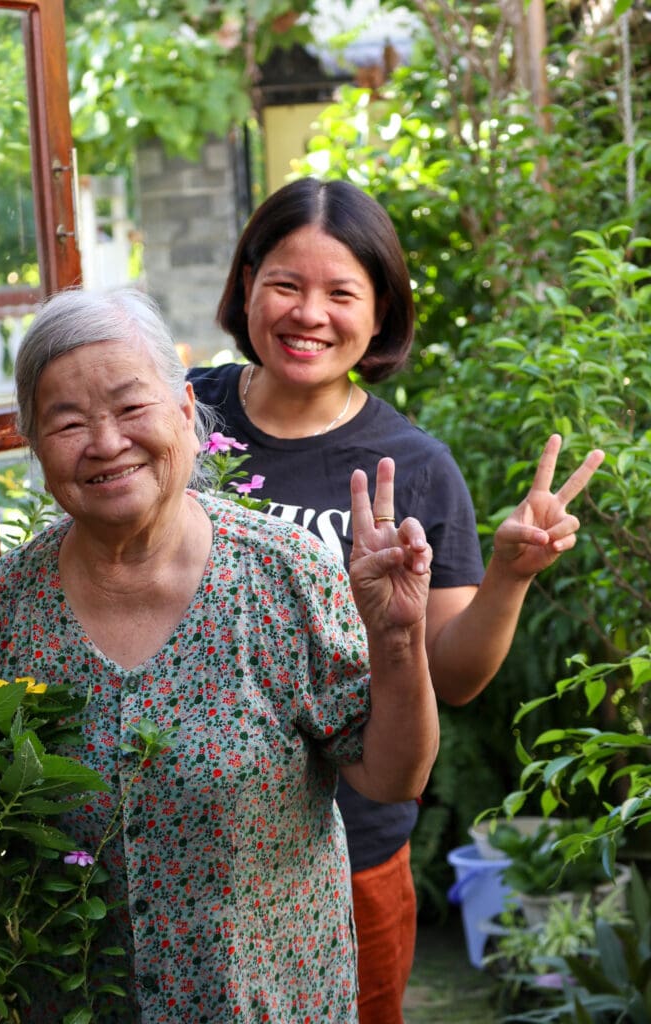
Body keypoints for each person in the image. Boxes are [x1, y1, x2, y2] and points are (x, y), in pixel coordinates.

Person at [0, 285, 437, 1023]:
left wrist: (399, 639)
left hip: (267, 1005)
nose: (106, 441)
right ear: (33, 443)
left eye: (129, 407)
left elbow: (391, 776)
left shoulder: (282, 576)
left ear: (185, 411)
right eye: (67, 421)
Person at [187, 176, 605, 1024]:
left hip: (349, 842)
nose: (309, 313)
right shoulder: (183, 415)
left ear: (380, 316)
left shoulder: (411, 465)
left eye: (342, 293)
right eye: (285, 284)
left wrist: (509, 575)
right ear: (246, 288)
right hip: (190, 831)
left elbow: (452, 677)